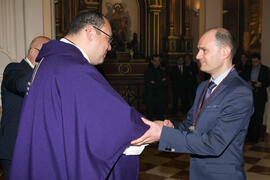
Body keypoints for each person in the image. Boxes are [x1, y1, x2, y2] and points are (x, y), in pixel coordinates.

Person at [9, 11, 148, 180]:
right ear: (89, 32)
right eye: (108, 39)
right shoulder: (73, 68)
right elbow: (116, 122)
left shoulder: (50, 61)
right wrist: (150, 128)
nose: (110, 47)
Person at [132, 27, 254, 180]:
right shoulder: (203, 87)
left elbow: (215, 143)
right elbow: (191, 125)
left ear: (225, 52)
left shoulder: (239, 92)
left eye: (204, 50)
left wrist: (163, 134)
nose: (197, 56)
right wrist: (168, 126)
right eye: (198, 50)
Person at [0, 36, 50, 179]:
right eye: (48, 56)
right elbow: (20, 84)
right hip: (14, 149)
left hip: (36, 150)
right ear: (34, 52)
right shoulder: (14, 69)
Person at [246, 53, 269, 143]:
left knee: (258, 117)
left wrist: (261, 84)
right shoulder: (248, 68)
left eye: (256, 62)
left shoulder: (265, 69)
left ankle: (256, 137)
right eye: (252, 62)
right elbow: (243, 78)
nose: (254, 64)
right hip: (250, 95)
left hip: (260, 97)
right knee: (249, 116)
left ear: (259, 61)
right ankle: (250, 136)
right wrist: (247, 82)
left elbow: (268, 82)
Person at [144, 55, 168, 120]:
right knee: (149, 117)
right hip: (150, 97)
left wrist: (155, 83)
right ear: (152, 61)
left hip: (160, 97)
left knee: (160, 117)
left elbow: (165, 83)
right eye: (155, 61)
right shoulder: (148, 71)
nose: (157, 62)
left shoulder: (163, 71)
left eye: (159, 61)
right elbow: (149, 84)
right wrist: (160, 82)